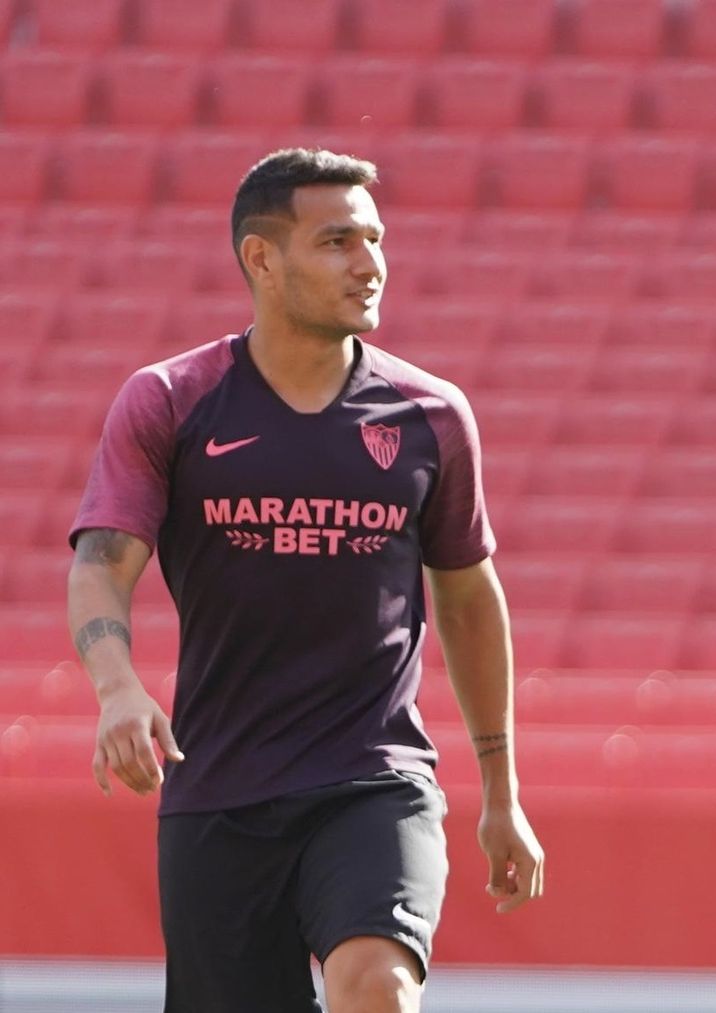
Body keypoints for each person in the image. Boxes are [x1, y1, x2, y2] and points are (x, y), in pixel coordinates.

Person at [65, 148, 544, 1013]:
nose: (369, 264)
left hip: (375, 778)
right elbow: (101, 564)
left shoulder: (432, 416)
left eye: (374, 238)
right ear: (261, 258)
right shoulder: (171, 402)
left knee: (378, 987)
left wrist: (501, 794)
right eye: (336, 241)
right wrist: (117, 689)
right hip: (219, 789)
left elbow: (470, 601)